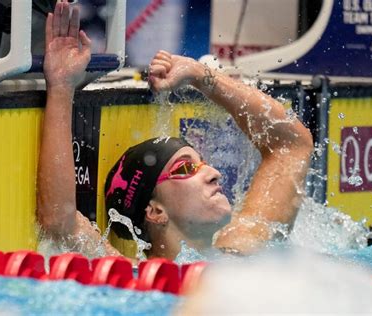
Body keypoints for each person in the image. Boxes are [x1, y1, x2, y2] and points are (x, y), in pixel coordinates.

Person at [37, 0, 313, 261]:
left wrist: (200, 76)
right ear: (156, 211)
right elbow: (61, 223)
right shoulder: (132, 276)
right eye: (185, 168)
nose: (214, 173)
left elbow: (291, 145)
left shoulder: (242, 251)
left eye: (202, 164)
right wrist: (61, 86)